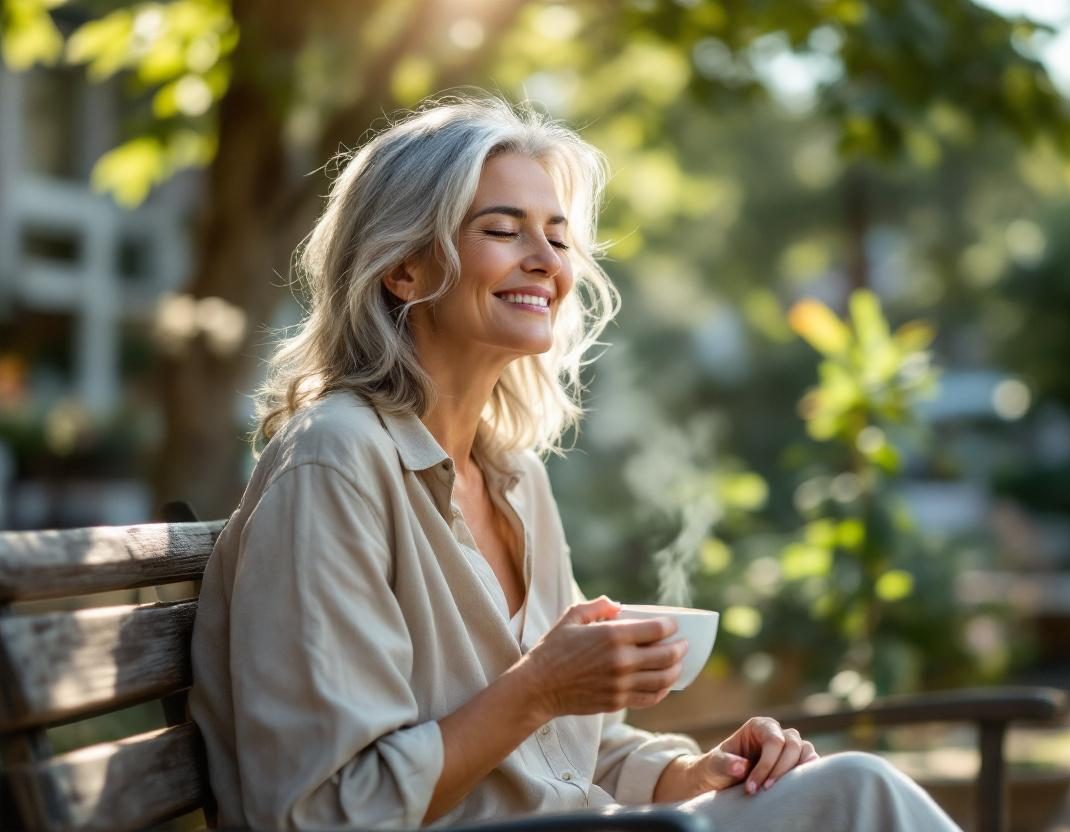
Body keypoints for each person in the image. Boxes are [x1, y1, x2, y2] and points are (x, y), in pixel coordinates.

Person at [188, 94, 960, 831]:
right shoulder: (336, 460)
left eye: (557, 237)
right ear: (404, 268)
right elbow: (318, 811)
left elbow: (566, 748)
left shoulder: (512, 476)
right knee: (859, 797)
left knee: (842, 794)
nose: (544, 262)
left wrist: (691, 775)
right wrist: (536, 689)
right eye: (503, 230)